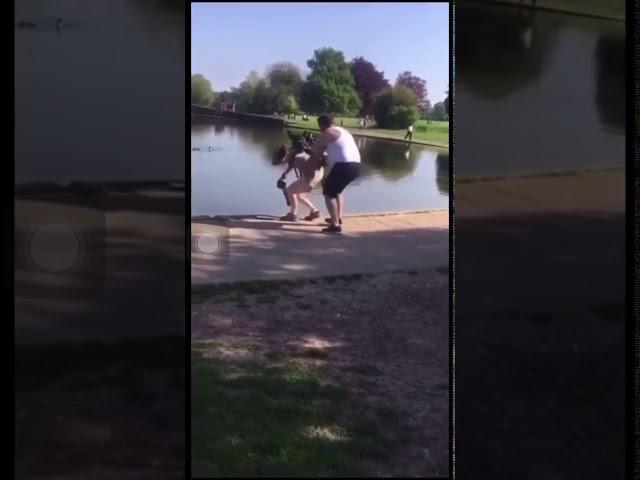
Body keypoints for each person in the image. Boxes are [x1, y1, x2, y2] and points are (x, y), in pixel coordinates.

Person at [306, 114, 361, 234]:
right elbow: (332, 154)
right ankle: (337, 218)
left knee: (327, 192)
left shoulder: (327, 133)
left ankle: (335, 225)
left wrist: (308, 169)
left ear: (322, 125)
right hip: (356, 165)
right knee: (335, 191)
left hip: (344, 165)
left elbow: (315, 154)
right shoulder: (344, 131)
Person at [277, 146, 325, 222]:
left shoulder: (298, 158)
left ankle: (293, 214)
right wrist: (284, 175)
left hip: (311, 177)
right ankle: (314, 211)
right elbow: (292, 165)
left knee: (290, 191)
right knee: (299, 194)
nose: (283, 162)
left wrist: (284, 177)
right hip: (319, 175)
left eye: (283, 159)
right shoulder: (299, 154)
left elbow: (293, 164)